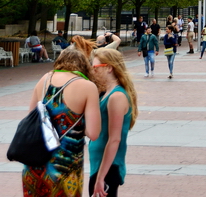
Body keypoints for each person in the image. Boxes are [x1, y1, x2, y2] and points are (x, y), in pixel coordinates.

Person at [22, 48, 101, 197]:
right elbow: (94, 133)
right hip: (65, 166)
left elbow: (31, 116)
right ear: (84, 65)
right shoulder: (88, 87)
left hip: (35, 163)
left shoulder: (44, 79)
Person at [89, 48, 138, 197]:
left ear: (109, 68)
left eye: (95, 67)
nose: (92, 71)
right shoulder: (105, 94)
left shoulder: (116, 97)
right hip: (99, 165)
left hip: (107, 167)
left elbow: (114, 139)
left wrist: (101, 177)